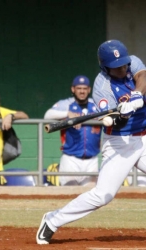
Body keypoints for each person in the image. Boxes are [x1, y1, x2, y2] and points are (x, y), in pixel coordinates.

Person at [36, 39, 146, 245]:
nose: (122, 68)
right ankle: (52, 220)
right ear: (105, 67)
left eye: (123, 64)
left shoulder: (133, 62)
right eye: (116, 67)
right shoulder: (101, 86)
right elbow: (111, 121)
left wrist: (137, 95)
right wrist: (121, 113)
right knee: (103, 195)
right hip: (119, 143)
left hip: (144, 138)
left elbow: (143, 76)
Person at [44, 75, 102, 186]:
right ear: (73, 89)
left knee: (90, 195)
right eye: (79, 88)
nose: (82, 91)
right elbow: (47, 115)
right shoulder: (67, 104)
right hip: (71, 158)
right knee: (69, 193)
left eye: (85, 89)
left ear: (89, 90)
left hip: (92, 159)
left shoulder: (95, 105)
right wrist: (67, 114)